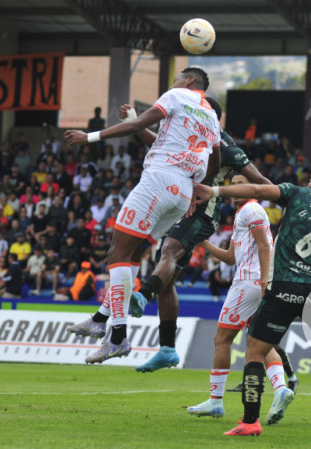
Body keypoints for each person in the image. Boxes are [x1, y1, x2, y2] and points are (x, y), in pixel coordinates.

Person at [191, 161, 311, 438]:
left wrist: (214, 190)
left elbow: (258, 188)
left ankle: (250, 420)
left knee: (254, 350)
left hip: (284, 286)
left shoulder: (297, 193)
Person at [64, 67, 221, 364]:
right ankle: (101, 319)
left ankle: (118, 337)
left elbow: (138, 127)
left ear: (189, 81)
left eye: (178, 77)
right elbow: (214, 165)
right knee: (133, 254)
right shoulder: (211, 115)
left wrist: (90, 137)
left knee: (117, 254)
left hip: (158, 181)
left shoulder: (177, 95)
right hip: (181, 192)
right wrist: (193, 189)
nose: (174, 81)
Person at [187, 173, 295, 425]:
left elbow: (265, 247)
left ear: (253, 190)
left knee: (221, 339)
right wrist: (202, 242)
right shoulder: (243, 214)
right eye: (232, 184)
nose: (234, 188)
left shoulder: (253, 210)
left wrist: (265, 280)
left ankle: (215, 401)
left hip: (249, 283)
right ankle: (281, 389)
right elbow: (230, 257)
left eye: (240, 184)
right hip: (256, 282)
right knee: (260, 344)